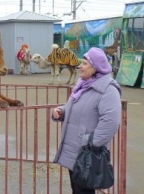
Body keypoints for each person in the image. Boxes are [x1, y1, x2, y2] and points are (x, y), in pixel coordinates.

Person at [52, 47, 121, 194]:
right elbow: (79, 107)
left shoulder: (108, 90)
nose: (79, 66)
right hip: (75, 153)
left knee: (83, 191)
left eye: (84, 63)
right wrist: (63, 111)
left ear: (95, 67)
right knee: (77, 190)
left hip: (87, 155)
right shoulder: (83, 85)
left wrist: (89, 142)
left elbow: (110, 123)